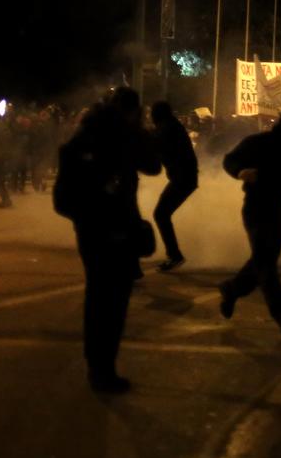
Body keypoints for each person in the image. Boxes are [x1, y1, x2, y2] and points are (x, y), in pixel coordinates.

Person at [53, 88, 162, 393]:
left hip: (94, 234)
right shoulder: (124, 138)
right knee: (112, 303)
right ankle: (103, 369)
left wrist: (88, 221)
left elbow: (62, 201)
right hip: (115, 233)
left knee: (99, 297)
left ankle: (98, 366)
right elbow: (153, 165)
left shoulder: (80, 140)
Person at [219, 108, 281, 333]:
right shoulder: (257, 142)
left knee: (264, 260)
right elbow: (230, 160)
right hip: (256, 207)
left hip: (278, 208)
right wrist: (240, 172)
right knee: (265, 262)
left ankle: (232, 289)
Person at [150, 101, 198, 271]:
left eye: (152, 113)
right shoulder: (171, 126)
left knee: (161, 213)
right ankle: (174, 254)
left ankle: (174, 255)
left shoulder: (166, 128)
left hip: (183, 178)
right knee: (162, 214)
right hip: (184, 177)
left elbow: (152, 145)